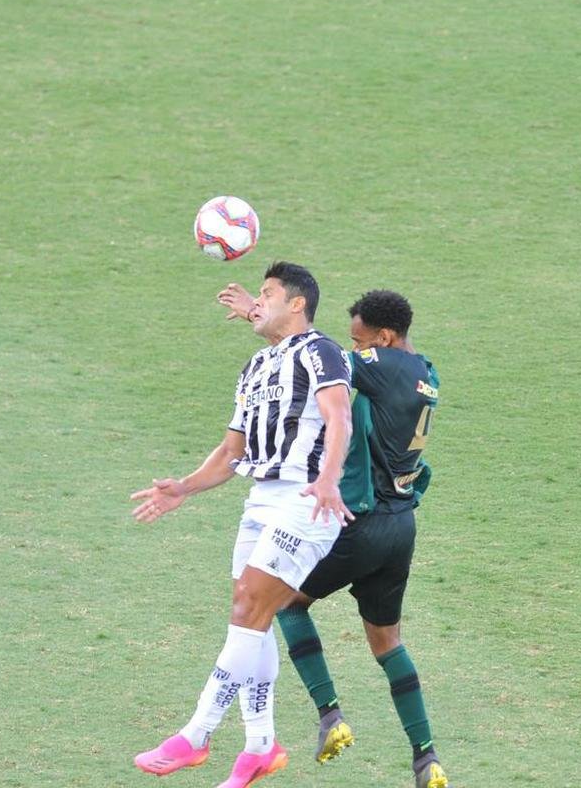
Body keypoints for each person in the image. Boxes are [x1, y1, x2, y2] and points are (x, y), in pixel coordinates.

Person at [130, 261, 353, 788]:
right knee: (248, 616)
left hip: (305, 498)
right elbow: (233, 452)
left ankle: (197, 733)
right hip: (260, 499)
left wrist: (327, 479)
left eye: (268, 293)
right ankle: (260, 746)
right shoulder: (255, 368)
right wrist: (183, 486)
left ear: (297, 304)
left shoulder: (321, 351)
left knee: (251, 605)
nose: (257, 302)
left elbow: (339, 416)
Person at [217, 285, 448, 788]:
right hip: (401, 526)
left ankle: (330, 715)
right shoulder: (425, 372)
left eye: (362, 338)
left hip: (358, 523)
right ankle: (426, 757)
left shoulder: (380, 364)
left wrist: (258, 315)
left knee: (282, 603)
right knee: (387, 643)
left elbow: (311, 356)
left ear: (384, 337)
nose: (356, 345)